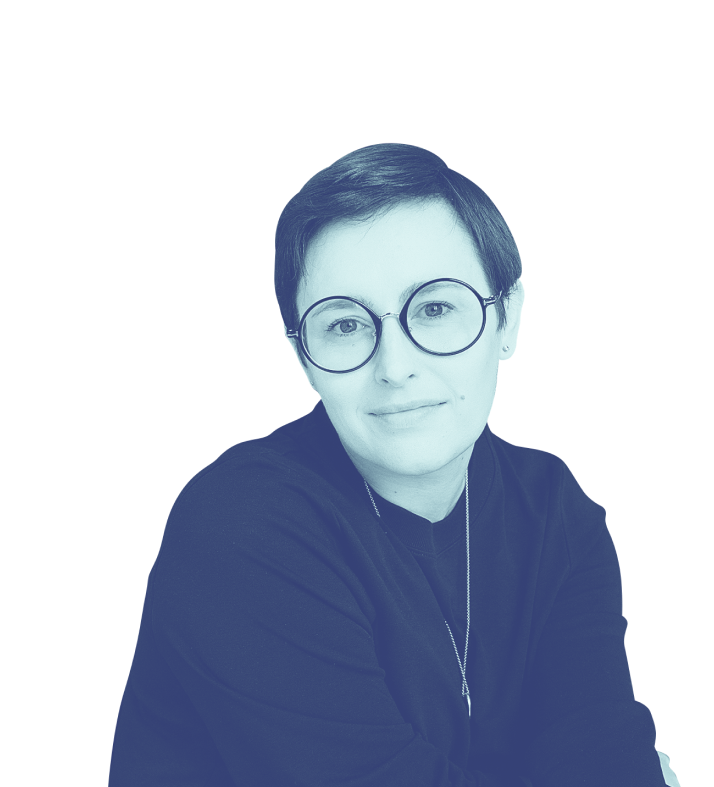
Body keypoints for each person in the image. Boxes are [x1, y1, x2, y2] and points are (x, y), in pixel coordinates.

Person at [109, 143, 676, 785]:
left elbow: (604, 752)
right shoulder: (237, 523)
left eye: (435, 309)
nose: (395, 367)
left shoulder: (554, 508)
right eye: (345, 325)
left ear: (508, 321)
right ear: (302, 358)